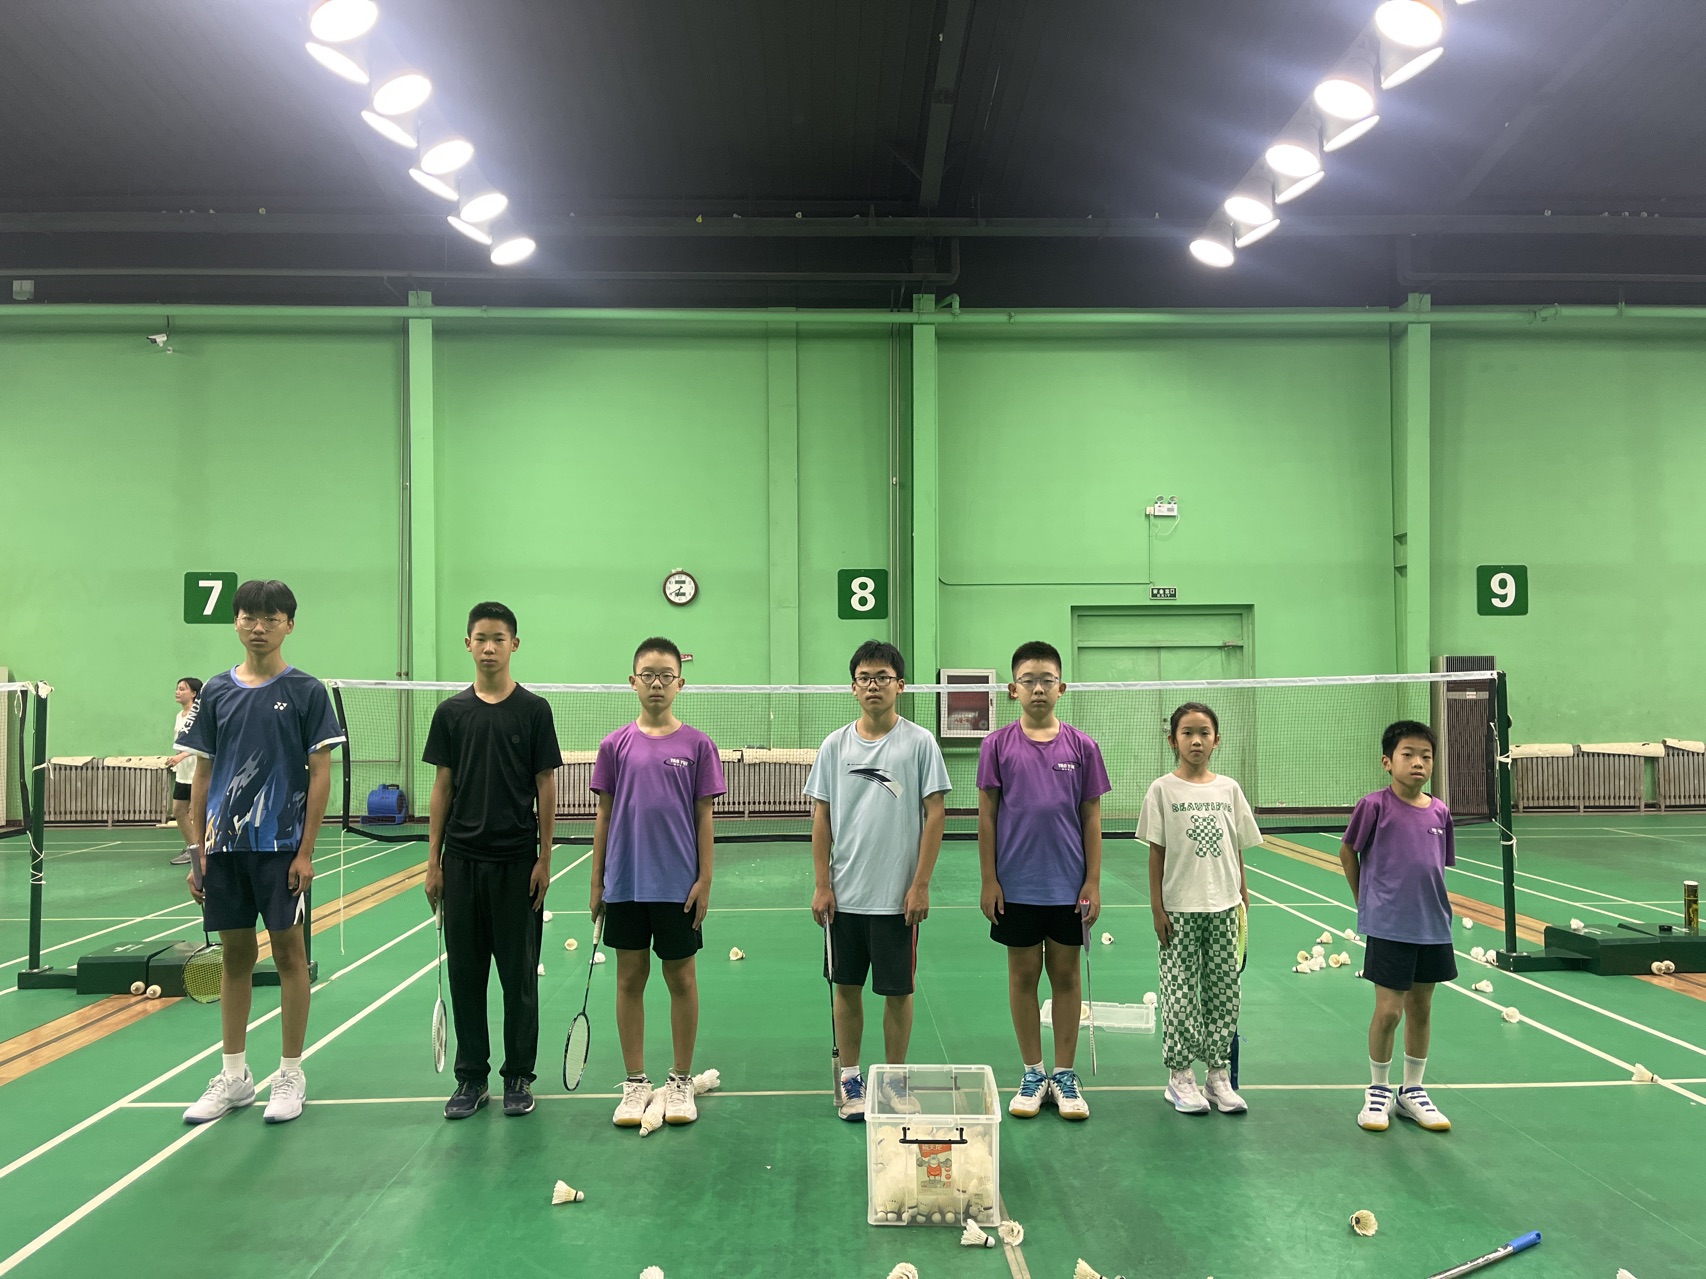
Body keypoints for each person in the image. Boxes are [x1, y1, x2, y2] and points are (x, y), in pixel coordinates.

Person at [177, 579, 343, 1126]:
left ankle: (290, 1073)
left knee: (290, 956)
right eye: (249, 616)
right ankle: (234, 1076)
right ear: (236, 622)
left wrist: (306, 850)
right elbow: (202, 773)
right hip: (225, 848)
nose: (259, 627)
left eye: (271, 618)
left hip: (280, 848)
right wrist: (198, 849)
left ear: (289, 625)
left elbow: (320, 775)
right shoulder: (215, 692)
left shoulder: (307, 691)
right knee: (236, 957)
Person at [423, 602, 561, 1121]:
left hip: (517, 862)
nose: (488, 647)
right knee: (466, 975)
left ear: (514, 645)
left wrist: (545, 857)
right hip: (461, 862)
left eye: (498, 638)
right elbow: (442, 787)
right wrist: (433, 862)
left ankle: (518, 1075)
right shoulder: (451, 713)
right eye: (480, 638)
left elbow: (546, 785)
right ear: (468, 644)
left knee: (519, 977)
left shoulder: (534, 711)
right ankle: (471, 1078)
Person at [808, 640, 951, 1122]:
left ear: (900, 685)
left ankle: (892, 1080)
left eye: (883, 677)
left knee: (897, 993)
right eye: (865, 678)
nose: (874, 685)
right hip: (845, 897)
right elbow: (821, 817)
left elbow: (936, 814)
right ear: (853, 687)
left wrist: (921, 884)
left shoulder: (920, 743)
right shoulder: (834, 746)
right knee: (846, 989)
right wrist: (822, 884)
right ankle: (851, 1079)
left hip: (896, 898)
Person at [590, 637, 723, 1129]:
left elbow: (705, 817)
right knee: (629, 979)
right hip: (625, 882)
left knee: (681, 979)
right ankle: (635, 1083)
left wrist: (705, 878)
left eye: (666, 675)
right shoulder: (614, 746)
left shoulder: (698, 745)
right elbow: (603, 815)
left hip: (678, 886)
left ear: (680, 683)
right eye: (648, 675)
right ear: (633, 681)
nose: (657, 684)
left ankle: (681, 1080)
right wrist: (597, 881)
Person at [977, 640, 1109, 1122]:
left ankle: (1065, 1074)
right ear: (1013, 690)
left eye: (1046, 680)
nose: (1038, 688)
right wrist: (989, 879)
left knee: (1066, 976)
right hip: (1016, 886)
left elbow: (1091, 817)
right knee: (1023, 976)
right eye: (1028, 680)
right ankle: (1033, 1072)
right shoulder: (996, 745)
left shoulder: (1082, 746)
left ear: (1062, 687)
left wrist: (1092, 880)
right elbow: (987, 816)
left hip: (1067, 886)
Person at [1137, 702, 1260, 1117]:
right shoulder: (1161, 790)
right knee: (1179, 995)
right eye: (1187, 733)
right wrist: (1157, 909)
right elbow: (1156, 853)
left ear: (1216, 740)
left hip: (1224, 906)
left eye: (1204, 733)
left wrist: (1243, 897)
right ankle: (1180, 1076)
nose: (1196, 740)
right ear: (1173, 740)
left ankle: (1217, 1075)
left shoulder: (1229, 789)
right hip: (1179, 909)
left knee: (1224, 993)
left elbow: (1236, 847)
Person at [1340, 719, 1456, 1134]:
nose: (1418, 762)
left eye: (1426, 756)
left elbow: (1436, 867)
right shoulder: (1374, 806)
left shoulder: (1441, 811)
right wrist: (1366, 903)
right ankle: (1378, 1090)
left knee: (1421, 1008)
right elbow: (1348, 852)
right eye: (1408, 754)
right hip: (1389, 926)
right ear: (1387, 762)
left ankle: (1413, 1091)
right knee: (1389, 1011)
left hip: (1433, 925)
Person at [165, 676, 203, 865]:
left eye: (183, 689)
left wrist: (181, 756)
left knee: (197, 814)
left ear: (194, 693)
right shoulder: (179, 716)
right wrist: (176, 758)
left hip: (199, 772)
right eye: (177, 688)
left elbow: (201, 743)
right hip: (183, 773)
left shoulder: (199, 716)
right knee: (179, 811)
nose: (178, 692)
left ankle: (202, 851)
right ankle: (191, 848)